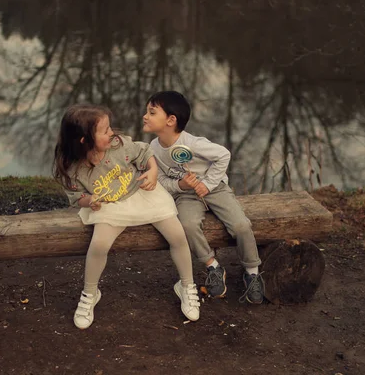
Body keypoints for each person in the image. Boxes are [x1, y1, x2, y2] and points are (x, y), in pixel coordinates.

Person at [53, 103, 200, 329]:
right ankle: (90, 293)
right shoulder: (74, 168)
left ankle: (186, 285)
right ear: (84, 140)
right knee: (99, 244)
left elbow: (145, 152)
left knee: (177, 235)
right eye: (105, 131)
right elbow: (77, 196)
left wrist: (151, 172)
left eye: (110, 127)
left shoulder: (118, 146)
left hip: (141, 193)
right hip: (110, 205)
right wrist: (89, 200)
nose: (112, 133)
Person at [142, 91, 265, 304]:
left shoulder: (193, 144)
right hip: (186, 196)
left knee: (241, 225)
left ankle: (252, 271)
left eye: (151, 112)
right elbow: (161, 180)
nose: (145, 116)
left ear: (171, 121)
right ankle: (213, 266)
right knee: (187, 225)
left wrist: (207, 184)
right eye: (147, 111)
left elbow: (223, 155)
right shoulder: (153, 149)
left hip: (215, 188)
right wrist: (180, 185)